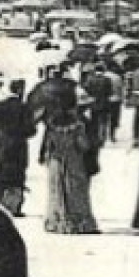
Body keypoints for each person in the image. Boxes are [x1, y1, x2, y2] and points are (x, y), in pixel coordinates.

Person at [40, 100, 99, 235]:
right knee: (75, 192)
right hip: (73, 161)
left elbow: (48, 147)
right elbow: (83, 145)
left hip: (56, 162)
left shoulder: (52, 126)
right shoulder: (77, 127)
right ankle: (79, 223)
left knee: (57, 192)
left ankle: (57, 221)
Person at [0, 79, 34, 215]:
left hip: (3, 144)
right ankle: (16, 207)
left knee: (2, 172)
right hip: (19, 146)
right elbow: (31, 130)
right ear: (20, 91)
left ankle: (1, 202)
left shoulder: (0, 105)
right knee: (19, 176)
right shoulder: (24, 107)